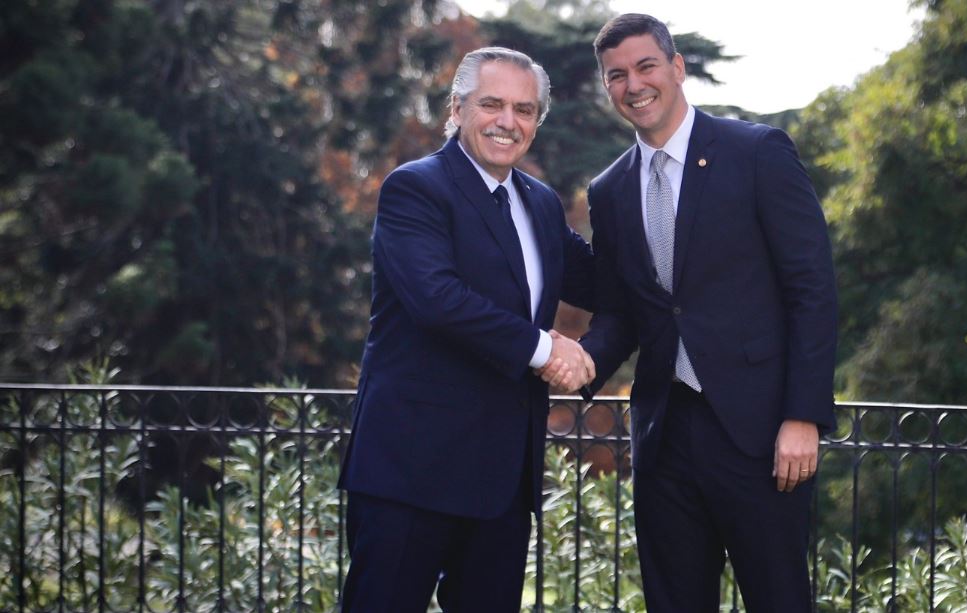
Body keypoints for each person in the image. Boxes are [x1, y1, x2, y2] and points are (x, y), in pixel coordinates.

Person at [551, 13, 839, 612]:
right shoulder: (609, 189)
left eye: (646, 66)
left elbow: (811, 289)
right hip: (663, 440)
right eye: (617, 76)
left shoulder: (757, 152)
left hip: (761, 435)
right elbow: (623, 313)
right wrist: (572, 370)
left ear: (677, 68)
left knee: (780, 600)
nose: (634, 85)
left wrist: (802, 416)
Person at [337, 47, 595, 611]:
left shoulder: (542, 205)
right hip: (410, 474)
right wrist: (546, 347)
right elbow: (438, 300)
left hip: (502, 482)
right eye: (493, 104)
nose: (509, 122)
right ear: (456, 108)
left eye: (524, 110)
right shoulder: (416, 188)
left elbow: (603, 285)